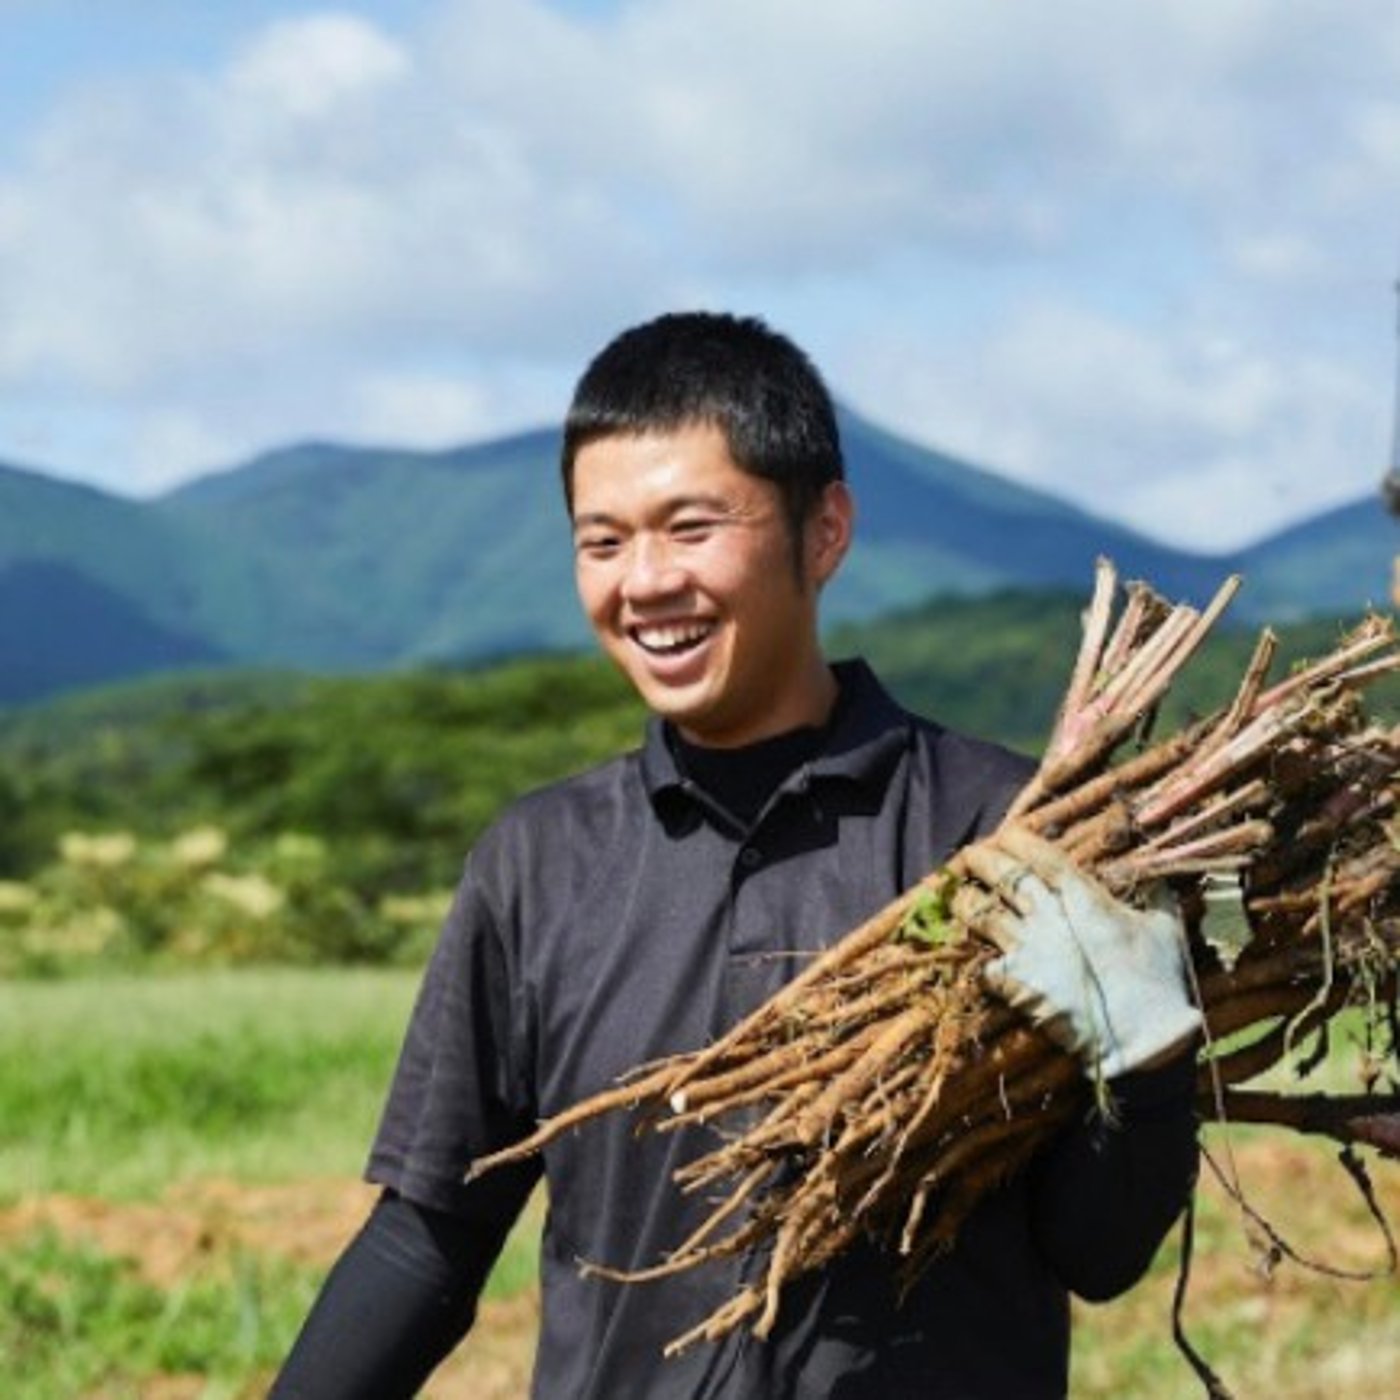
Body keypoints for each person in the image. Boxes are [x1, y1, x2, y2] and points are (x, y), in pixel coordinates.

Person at [271, 311, 1201, 1399]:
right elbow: (427, 1238)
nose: (644, 581)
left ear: (823, 530)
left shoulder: (1003, 834)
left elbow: (1095, 1253)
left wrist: (1146, 1066)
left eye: (690, 526)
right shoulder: (539, 863)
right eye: (602, 540)